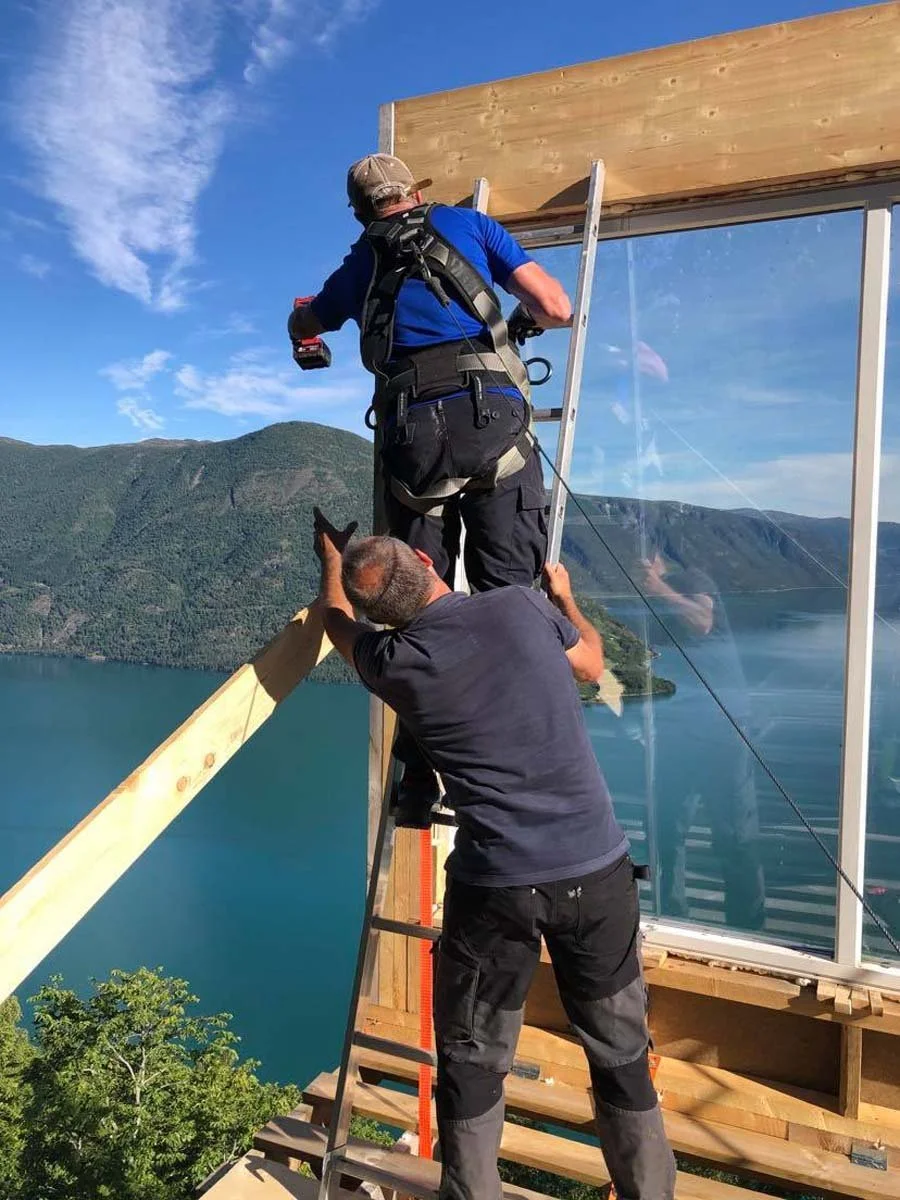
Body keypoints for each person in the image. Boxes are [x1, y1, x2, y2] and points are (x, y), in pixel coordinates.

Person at [313, 508, 677, 1200]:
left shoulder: (395, 662)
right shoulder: (520, 607)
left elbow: (335, 622)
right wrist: (566, 598)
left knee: (474, 1062)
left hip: (497, 888)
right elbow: (594, 665)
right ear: (426, 564)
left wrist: (330, 563)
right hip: (595, 872)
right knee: (622, 1054)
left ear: (381, 616)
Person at [289, 153, 573, 592]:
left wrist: (301, 326)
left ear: (361, 215)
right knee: (510, 595)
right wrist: (517, 324)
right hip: (496, 423)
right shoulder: (471, 225)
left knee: (420, 598)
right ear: (417, 193)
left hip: (412, 432)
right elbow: (557, 307)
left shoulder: (360, 263)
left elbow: (306, 324)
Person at [640, 549, 766, 933]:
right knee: (665, 829)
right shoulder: (650, 601)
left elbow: (702, 621)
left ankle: (748, 930)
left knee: (735, 834)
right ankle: (672, 919)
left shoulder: (693, 578)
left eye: (647, 556)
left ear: (660, 557)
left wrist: (658, 587)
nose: (642, 565)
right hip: (677, 726)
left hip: (723, 726)